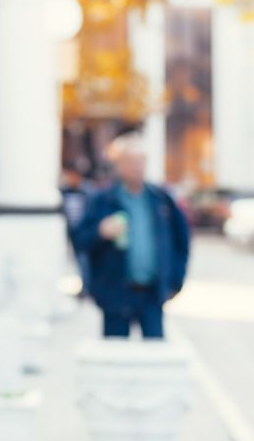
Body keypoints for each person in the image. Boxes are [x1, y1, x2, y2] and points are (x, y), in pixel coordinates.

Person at [72, 133, 190, 338]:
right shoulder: (102, 200)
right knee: (115, 356)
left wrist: (175, 282)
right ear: (118, 165)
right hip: (115, 294)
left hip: (152, 294)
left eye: (141, 161)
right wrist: (100, 231)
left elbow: (183, 241)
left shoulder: (161, 199)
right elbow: (79, 240)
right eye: (130, 161)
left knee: (155, 355)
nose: (137, 166)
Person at [59, 163, 91, 298]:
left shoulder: (88, 192)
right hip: (72, 233)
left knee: (85, 261)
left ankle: (87, 287)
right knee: (78, 260)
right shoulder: (64, 192)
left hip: (84, 233)